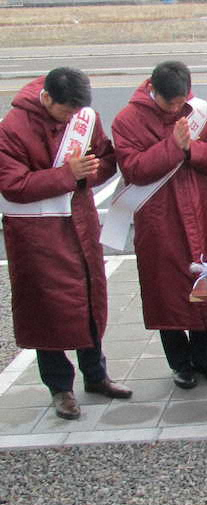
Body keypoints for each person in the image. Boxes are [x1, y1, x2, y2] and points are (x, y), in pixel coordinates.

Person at [0, 68, 132, 419]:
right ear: (46, 98)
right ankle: (60, 388)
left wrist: (91, 171)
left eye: (77, 111)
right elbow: (13, 185)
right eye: (65, 110)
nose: (73, 117)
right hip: (37, 234)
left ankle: (96, 375)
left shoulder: (86, 119)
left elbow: (106, 160)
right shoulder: (11, 128)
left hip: (81, 225)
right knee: (47, 309)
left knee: (89, 300)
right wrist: (66, 174)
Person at [111, 61, 207, 388]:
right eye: (170, 104)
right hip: (158, 217)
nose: (178, 109)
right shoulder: (127, 120)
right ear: (153, 92)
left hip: (201, 210)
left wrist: (192, 148)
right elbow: (134, 168)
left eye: (182, 102)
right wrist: (172, 147)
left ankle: (205, 357)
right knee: (166, 290)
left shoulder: (201, 111)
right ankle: (180, 364)